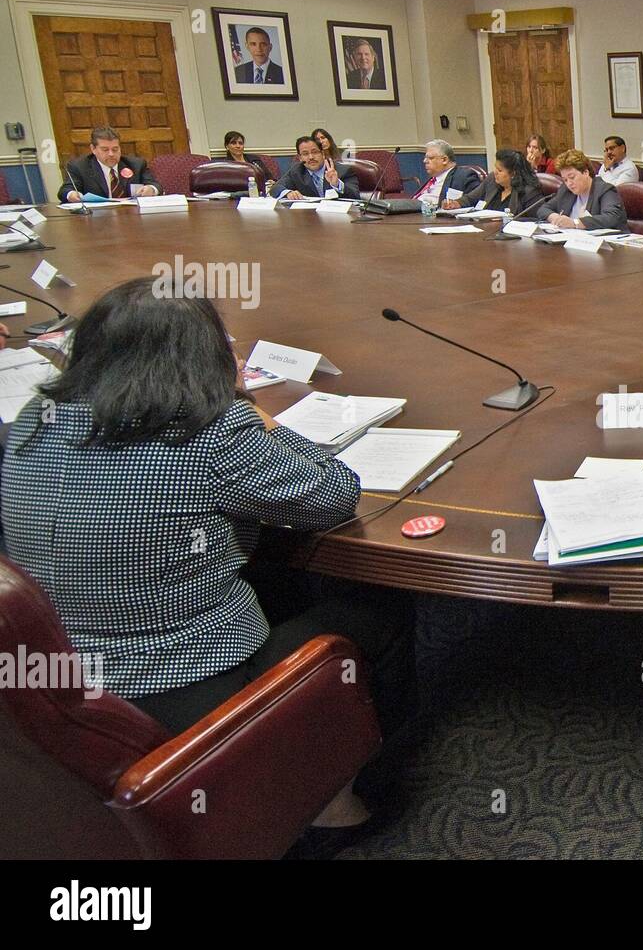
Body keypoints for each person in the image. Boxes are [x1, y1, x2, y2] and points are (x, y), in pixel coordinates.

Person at [0, 277, 416, 828]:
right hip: (180, 682)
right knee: (378, 610)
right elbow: (335, 495)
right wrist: (255, 416)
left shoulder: (36, 417)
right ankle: (339, 804)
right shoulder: (208, 432)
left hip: (57, 673)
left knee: (272, 575)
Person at [58, 126, 162, 203]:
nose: (111, 154)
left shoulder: (136, 164)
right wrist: (72, 194)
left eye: (115, 149)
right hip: (96, 221)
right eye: (105, 150)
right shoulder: (79, 166)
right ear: (93, 149)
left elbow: (156, 185)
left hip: (132, 218)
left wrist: (151, 189)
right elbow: (65, 190)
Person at [537, 149, 628, 230]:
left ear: (585, 172)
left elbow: (611, 218)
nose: (569, 183)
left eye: (572, 177)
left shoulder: (605, 190)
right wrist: (556, 218)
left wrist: (574, 223)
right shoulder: (566, 191)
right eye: (565, 179)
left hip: (609, 246)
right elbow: (543, 209)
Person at [442, 149, 543, 215]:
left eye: (500, 170)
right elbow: (470, 198)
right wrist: (456, 203)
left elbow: (536, 220)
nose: (495, 172)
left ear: (513, 174)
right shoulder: (492, 180)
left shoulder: (529, 191)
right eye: (495, 168)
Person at [272, 135, 361, 200]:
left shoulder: (343, 170)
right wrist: (288, 193)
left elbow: (356, 197)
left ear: (322, 154)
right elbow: (275, 188)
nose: (311, 157)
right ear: (300, 158)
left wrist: (337, 184)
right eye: (305, 154)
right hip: (310, 220)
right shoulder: (297, 171)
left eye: (314, 152)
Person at [412, 140, 481, 207]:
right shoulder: (433, 179)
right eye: (425, 158)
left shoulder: (464, 176)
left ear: (444, 160)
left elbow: (476, 201)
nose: (424, 161)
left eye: (430, 158)